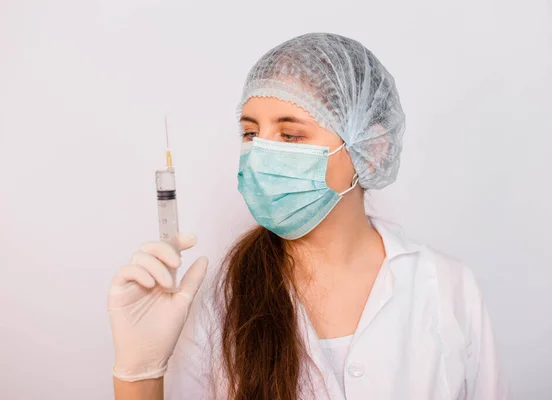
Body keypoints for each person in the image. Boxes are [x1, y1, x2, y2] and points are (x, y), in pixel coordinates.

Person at [108, 32, 508, 400]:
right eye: (250, 133)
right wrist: (140, 375)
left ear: (371, 149)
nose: (262, 153)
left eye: (291, 135)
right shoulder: (218, 301)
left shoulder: (446, 289)